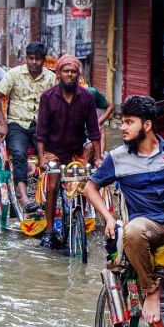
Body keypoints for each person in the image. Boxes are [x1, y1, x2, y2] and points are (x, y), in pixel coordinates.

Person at [83, 95, 164, 326]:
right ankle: (151, 290)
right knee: (132, 230)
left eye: (129, 122)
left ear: (147, 125)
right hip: (147, 227)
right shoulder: (117, 157)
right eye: (122, 122)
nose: (122, 128)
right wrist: (109, 219)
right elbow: (89, 187)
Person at [35, 56, 101, 248]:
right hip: (54, 151)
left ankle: (80, 220)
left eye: (73, 71)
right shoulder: (47, 97)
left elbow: (94, 130)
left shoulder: (87, 96)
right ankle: (48, 230)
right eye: (66, 71)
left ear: (78, 74)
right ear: (58, 74)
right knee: (52, 186)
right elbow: (41, 132)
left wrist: (98, 158)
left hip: (77, 151)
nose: (70, 75)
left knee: (83, 184)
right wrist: (41, 158)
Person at [0, 42, 55, 217]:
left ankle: (46, 195)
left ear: (44, 60)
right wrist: (2, 123)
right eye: (31, 58)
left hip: (41, 125)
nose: (34, 62)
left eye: (38, 59)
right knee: (19, 155)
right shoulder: (13, 74)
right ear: (26, 58)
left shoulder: (51, 78)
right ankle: (24, 198)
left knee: (49, 158)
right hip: (17, 124)